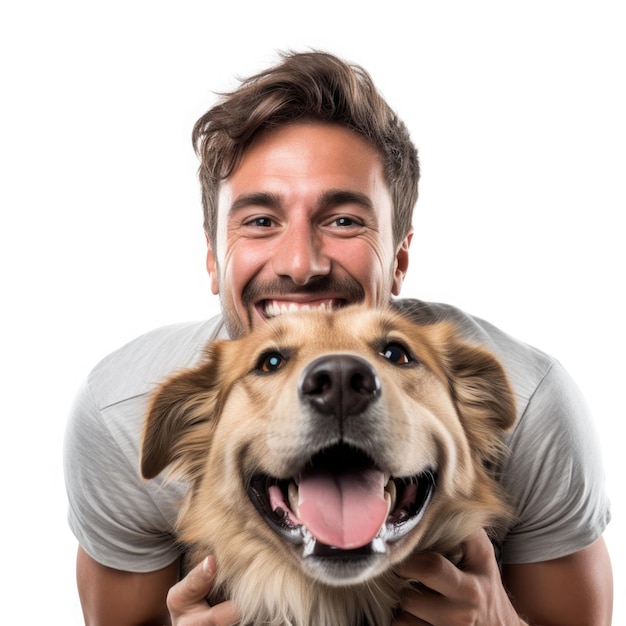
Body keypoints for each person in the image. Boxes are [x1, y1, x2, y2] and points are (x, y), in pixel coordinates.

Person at [64, 51, 613, 625]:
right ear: (212, 256)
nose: (302, 264)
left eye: (344, 220)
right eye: (260, 221)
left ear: (400, 256)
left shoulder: (531, 406)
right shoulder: (118, 417)